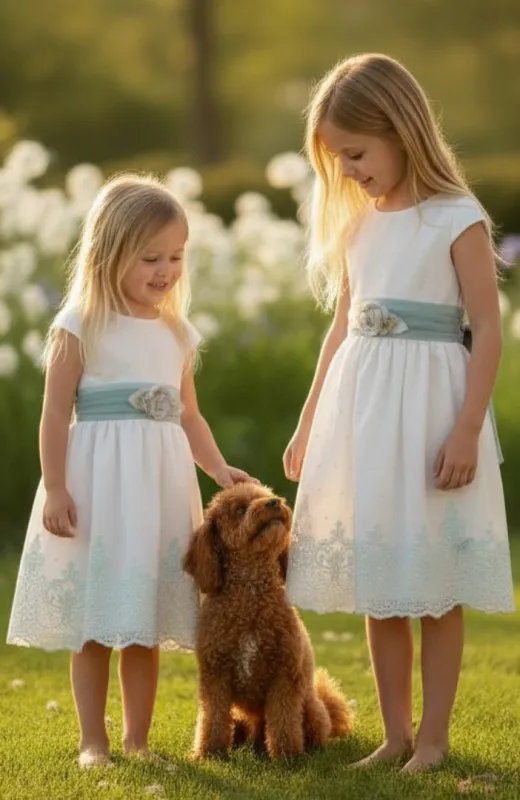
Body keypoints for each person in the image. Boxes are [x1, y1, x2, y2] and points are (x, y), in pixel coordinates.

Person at [283, 53, 514, 773]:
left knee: (436, 582)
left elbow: (487, 323)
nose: (348, 170)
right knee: (380, 582)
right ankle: (396, 735)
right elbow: (342, 324)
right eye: (337, 158)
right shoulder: (358, 225)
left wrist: (469, 426)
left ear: (400, 129)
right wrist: (308, 420)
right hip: (366, 412)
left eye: (356, 152)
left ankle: (436, 740)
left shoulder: (456, 217)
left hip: (434, 412)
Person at [7, 174, 255, 768]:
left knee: (143, 623)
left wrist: (218, 468)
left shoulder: (175, 332)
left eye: (175, 256)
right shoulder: (79, 324)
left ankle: (138, 742)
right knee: (96, 620)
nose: (166, 270)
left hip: (159, 489)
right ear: (109, 252)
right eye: (150, 258)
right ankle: (93, 740)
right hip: (97, 487)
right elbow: (52, 415)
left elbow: (188, 415)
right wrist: (58, 487)